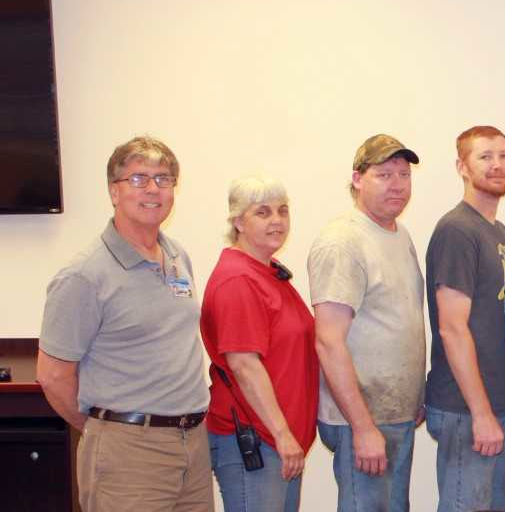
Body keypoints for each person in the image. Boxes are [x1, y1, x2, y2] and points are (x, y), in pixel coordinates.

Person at [36, 136, 213, 511]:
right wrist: (106, 430)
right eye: (138, 178)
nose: (153, 189)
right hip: (128, 453)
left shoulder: (176, 255)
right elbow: (53, 376)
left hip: (193, 447)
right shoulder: (84, 275)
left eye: (163, 179)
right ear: (113, 192)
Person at [308, 134, 426, 512]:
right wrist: (362, 427)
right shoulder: (343, 241)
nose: (397, 184)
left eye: (404, 175)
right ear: (357, 179)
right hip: (362, 418)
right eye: (384, 174)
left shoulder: (397, 234)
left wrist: (414, 396)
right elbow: (328, 341)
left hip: (395, 415)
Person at [201, 175, 319, 512]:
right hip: (257, 440)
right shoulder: (238, 279)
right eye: (263, 212)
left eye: (283, 211)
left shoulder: (269, 274)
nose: (277, 220)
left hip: (279, 440)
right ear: (238, 221)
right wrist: (282, 435)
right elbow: (243, 364)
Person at [424, 126, 505, 512]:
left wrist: (501, 409)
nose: (497, 165)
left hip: (488, 405)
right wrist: (481, 413)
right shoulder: (457, 230)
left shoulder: (500, 232)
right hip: (464, 408)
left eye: (503, 155)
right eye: (485, 157)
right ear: (462, 167)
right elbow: (452, 327)